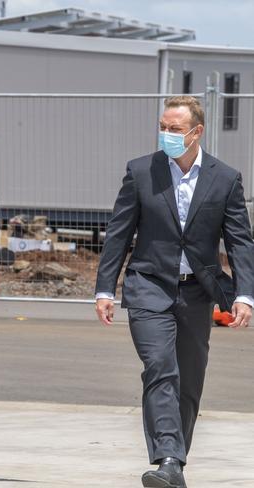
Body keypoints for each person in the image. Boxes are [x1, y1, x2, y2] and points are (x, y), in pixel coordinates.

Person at [95, 95, 254, 488]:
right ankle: (167, 455)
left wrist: (244, 294)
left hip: (198, 292)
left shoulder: (225, 178)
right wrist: (104, 288)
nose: (166, 134)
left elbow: (240, 242)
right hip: (148, 285)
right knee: (160, 368)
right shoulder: (141, 171)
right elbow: (119, 232)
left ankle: (174, 468)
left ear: (196, 132)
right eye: (163, 127)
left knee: (189, 378)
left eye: (175, 129)